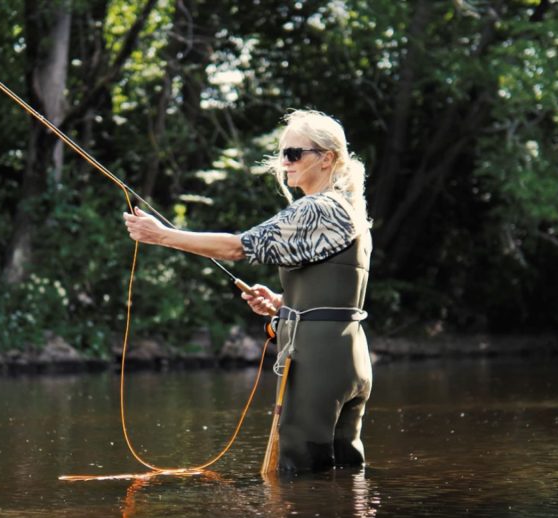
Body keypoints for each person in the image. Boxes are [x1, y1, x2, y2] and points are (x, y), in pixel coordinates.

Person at [123, 110, 372, 474]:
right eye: (281, 153)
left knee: (301, 469)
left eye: (293, 154)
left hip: (319, 358)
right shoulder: (350, 211)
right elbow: (339, 293)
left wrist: (162, 235)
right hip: (351, 356)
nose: (284, 163)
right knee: (345, 470)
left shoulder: (318, 208)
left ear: (326, 159)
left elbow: (240, 247)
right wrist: (280, 303)